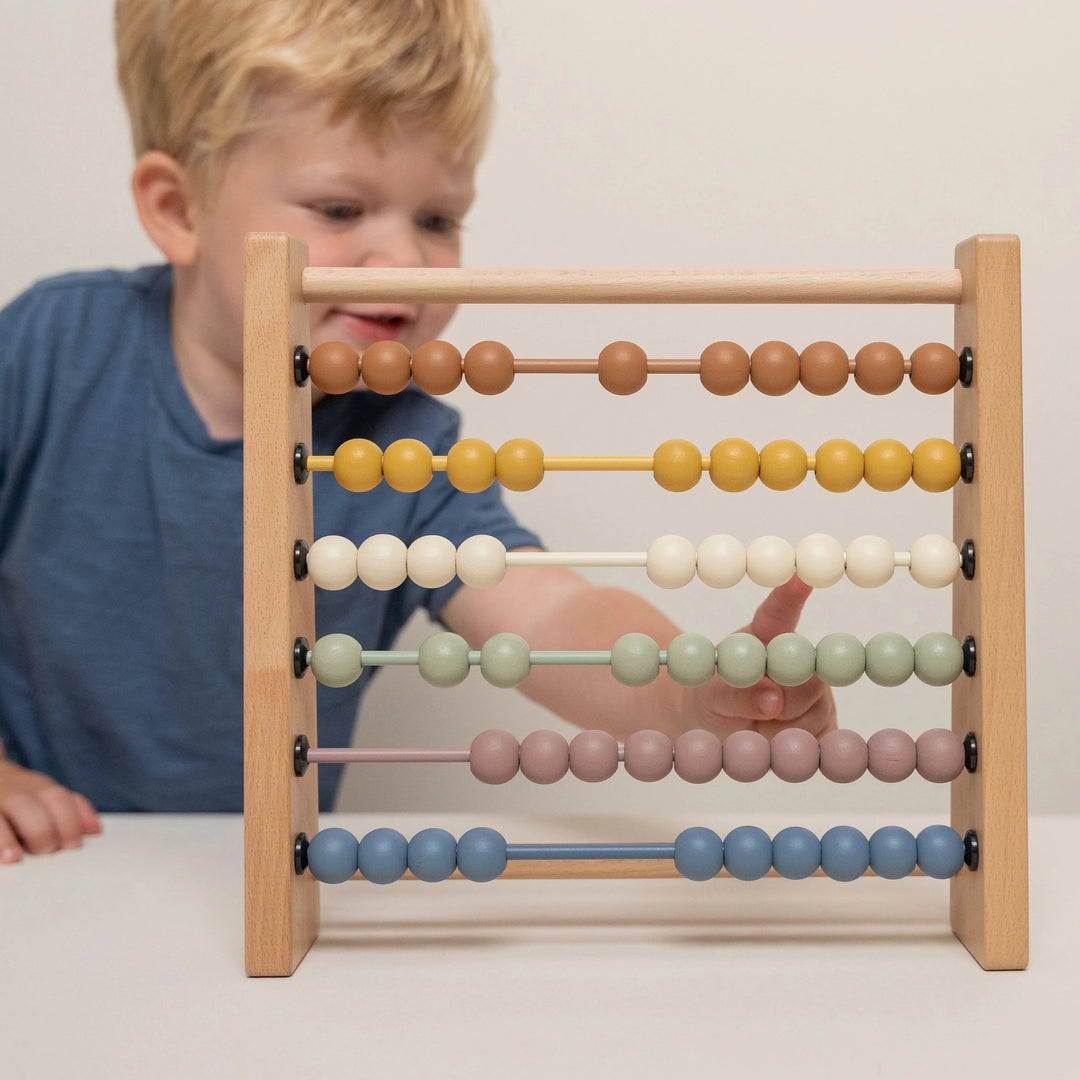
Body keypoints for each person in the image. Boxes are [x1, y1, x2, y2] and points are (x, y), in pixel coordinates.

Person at [0, 0, 835, 863]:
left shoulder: (405, 451)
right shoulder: (42, 355)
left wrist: (689, 693)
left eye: (437, 220)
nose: (401, 259)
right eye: (339, 209)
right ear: (178, 209)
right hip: (36, 876)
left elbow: (551, 613)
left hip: (261, 881)